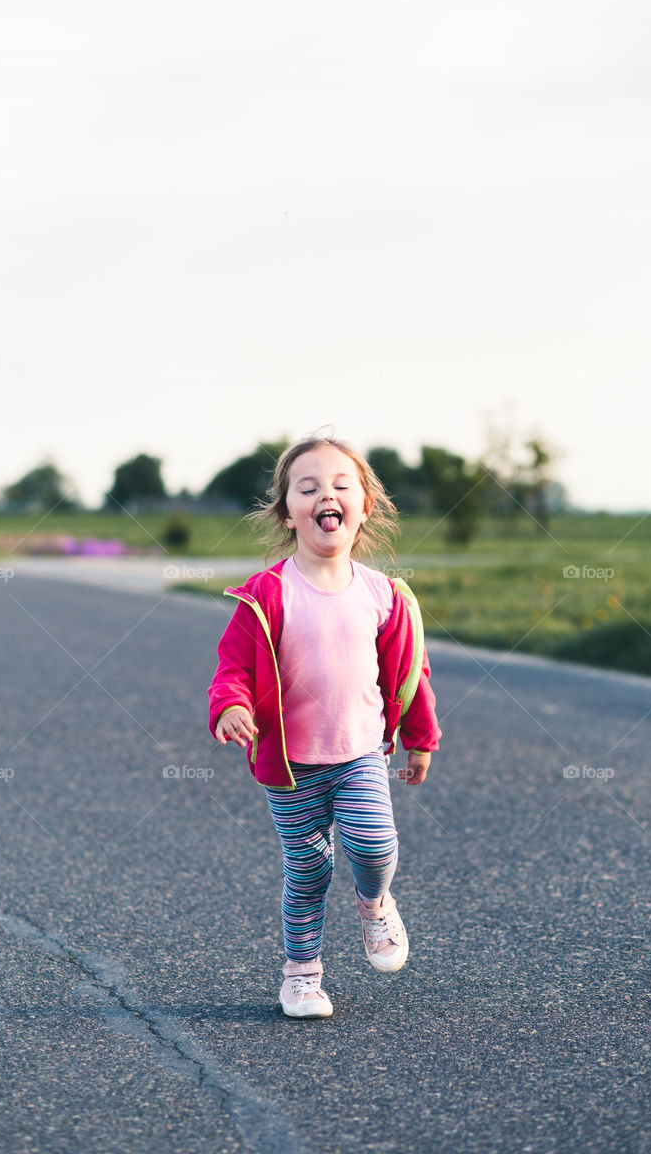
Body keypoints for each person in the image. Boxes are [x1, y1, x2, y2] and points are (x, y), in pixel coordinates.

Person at [207, 434, 440, 1018]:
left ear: (363, 507)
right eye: (307, 488)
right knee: (308, 868)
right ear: (287, 513)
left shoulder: (384, 595)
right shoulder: (267, 594)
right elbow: (232, 667)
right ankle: (302, 976)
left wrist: (420, 739)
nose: (325, 496)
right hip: (290, 767)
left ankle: (375, 902)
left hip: (362, 753)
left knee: (374, 845)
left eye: (341, 486)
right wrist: (230, 707)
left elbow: (411, 674)